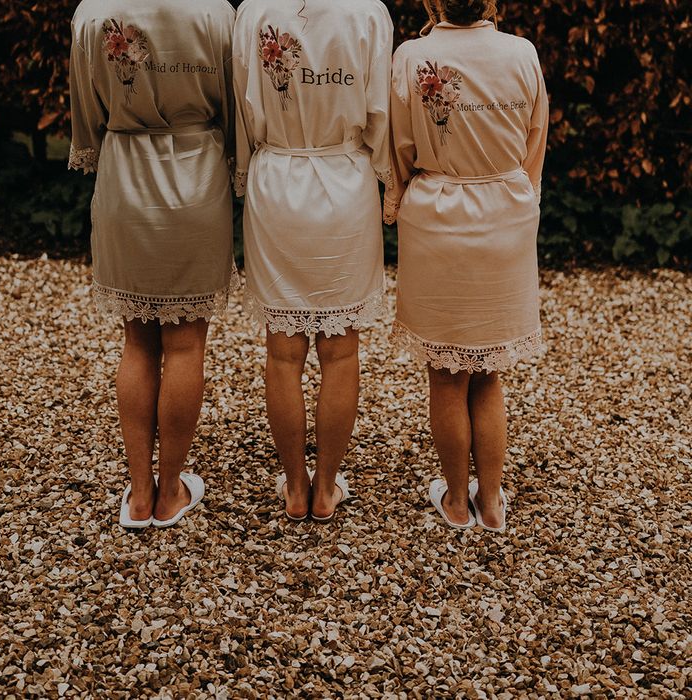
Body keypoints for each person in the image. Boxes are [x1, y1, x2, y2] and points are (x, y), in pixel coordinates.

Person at [68, 0, 237, 529]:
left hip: (126, 178)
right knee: (186, 342)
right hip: (196, 177)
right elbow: (235, 108)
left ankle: (139, 494)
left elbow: (87, 113)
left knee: (137, 340)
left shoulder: (93, 13)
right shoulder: (214, 13)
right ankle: (170, 491)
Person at [386, 0, 549, 531]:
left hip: (437, 216)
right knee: (489, 375)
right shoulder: (521, 54)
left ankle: (457, 499)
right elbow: (534, 142)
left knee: (446, 373)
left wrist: (399, 198)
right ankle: (494, 500)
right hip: (505, 213)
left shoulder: (413, 57)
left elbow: (401, 148)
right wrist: (522, 200)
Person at [233, 0, 394, 521]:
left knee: (283, 353)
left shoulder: (255, 12)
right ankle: (326, 486)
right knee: (341, 352)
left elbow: (243, 107)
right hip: (344, 183)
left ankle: (295, 485)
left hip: (278, 179)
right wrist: (389, 179)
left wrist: (248, 167)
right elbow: (381, 116)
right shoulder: (368, 13)